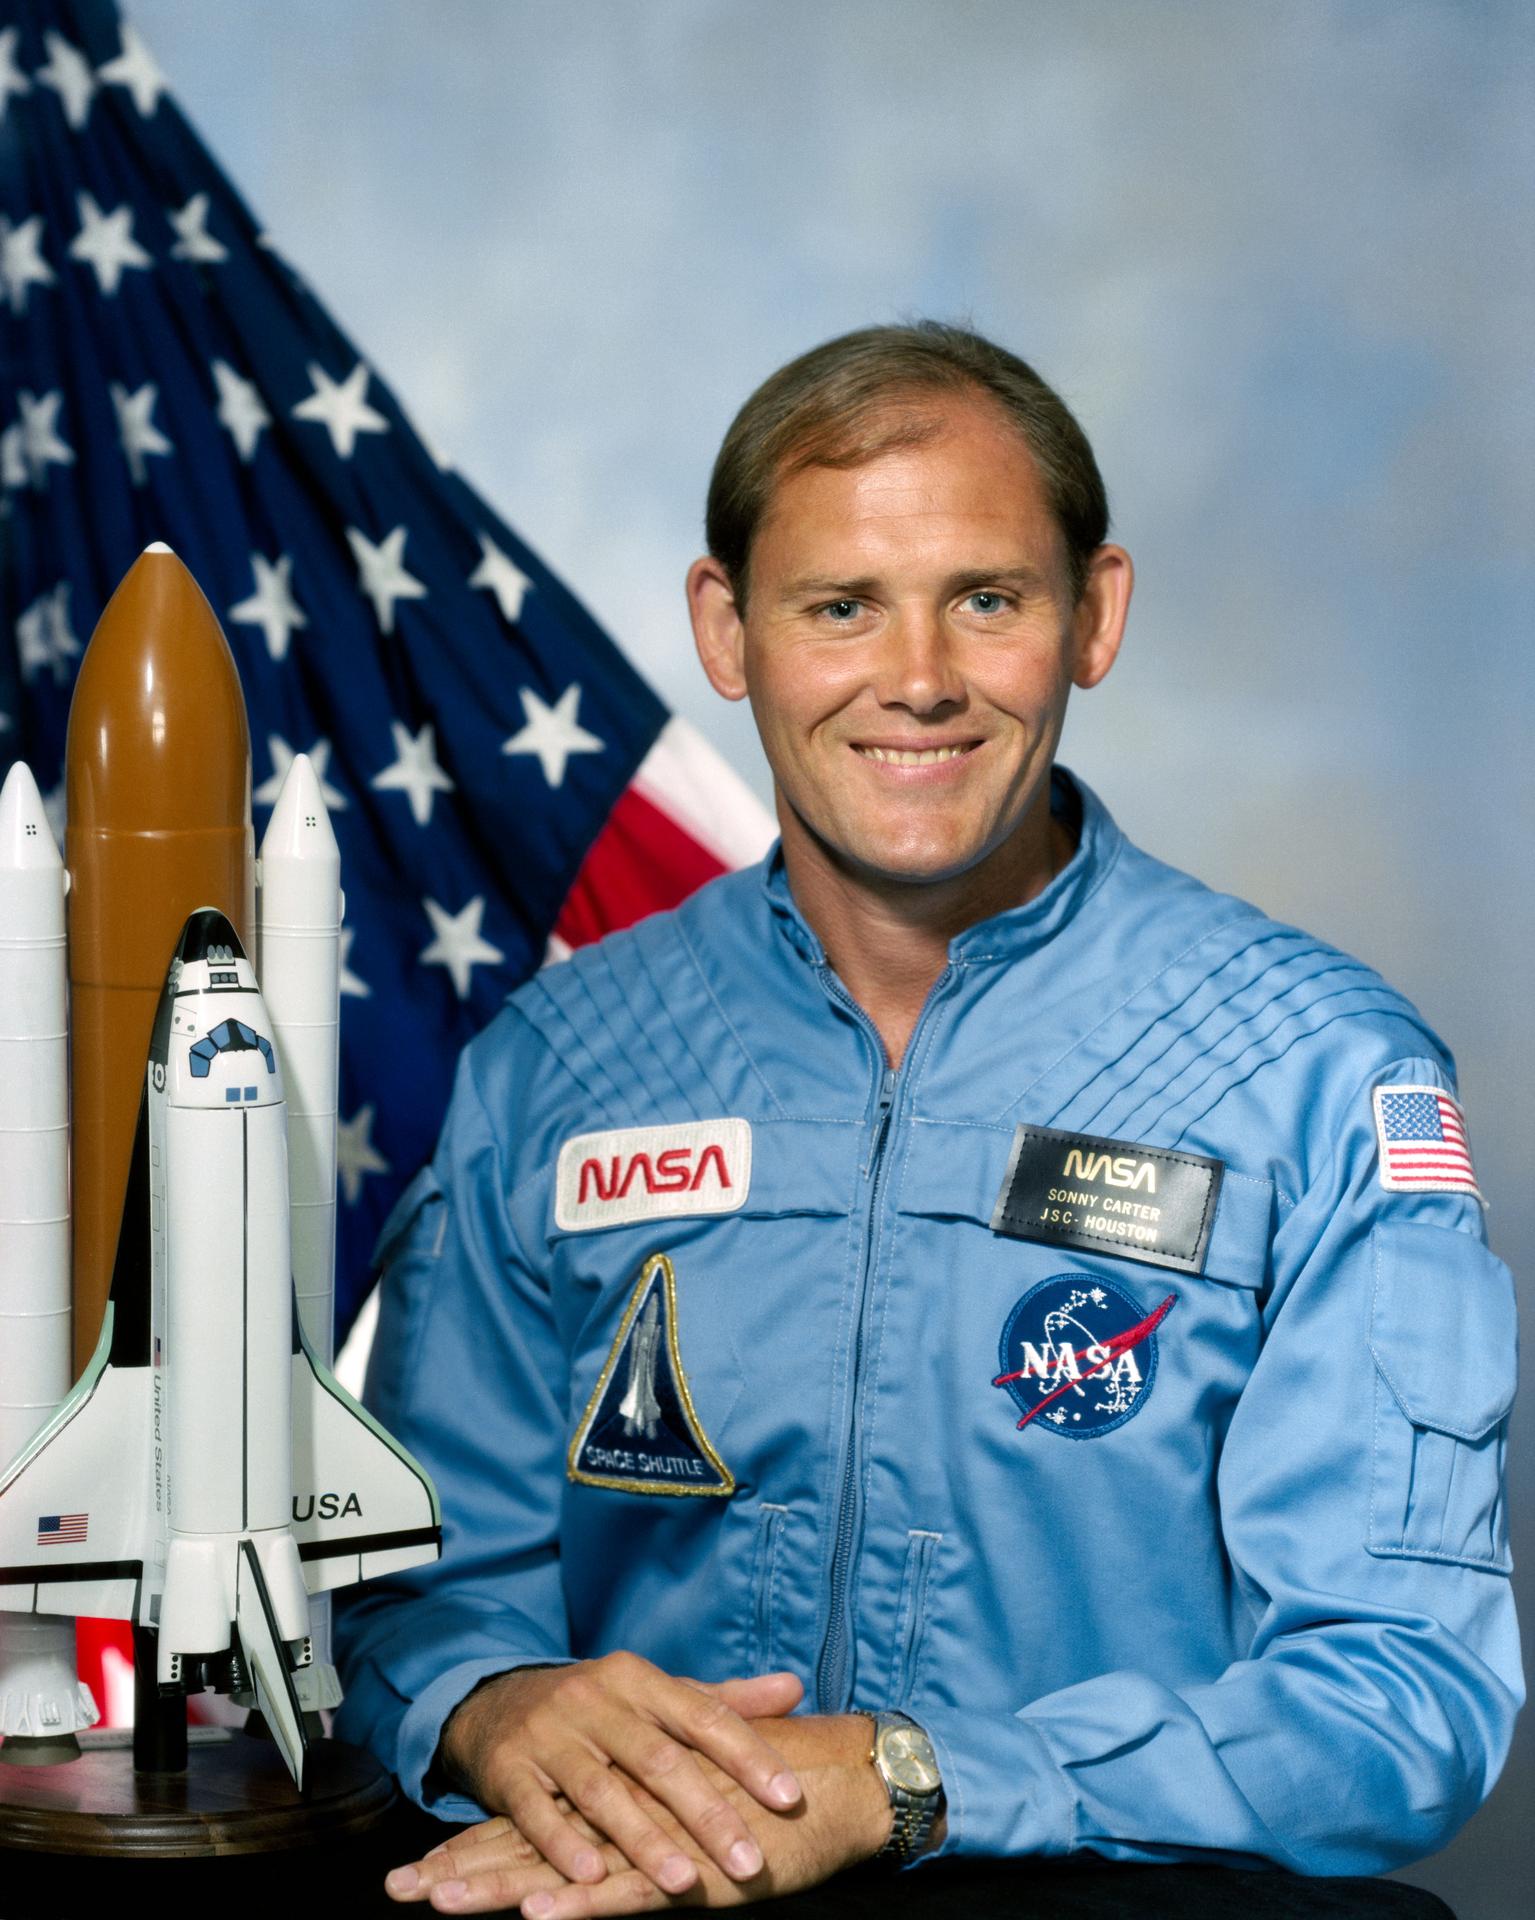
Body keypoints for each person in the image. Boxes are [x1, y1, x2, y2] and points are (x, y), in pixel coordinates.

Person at [334, 323, 1522, 1916]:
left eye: (988, 599)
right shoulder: (561, 1068)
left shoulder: (1309, 1072)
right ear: (727, 627)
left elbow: (1401, 1698)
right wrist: (488, 1708)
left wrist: (910, 1781)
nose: (918, 681)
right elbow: (421, 1589)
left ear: (1092, 616)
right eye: (839, 607)